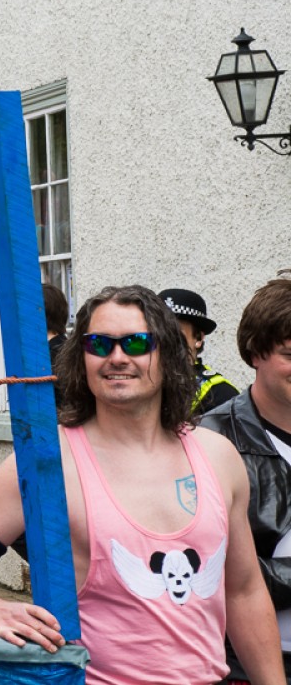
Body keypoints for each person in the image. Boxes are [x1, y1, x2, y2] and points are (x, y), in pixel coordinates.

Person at [0, 285, 284, 685]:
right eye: (99, 344)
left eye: (136, 343)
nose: (117, 357)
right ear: (81, 358)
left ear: (166, 354)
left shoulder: (218, 456)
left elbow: (244, 591)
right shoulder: (49, 463)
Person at [198, 278, 291, 679]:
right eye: (290, 354)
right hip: (241, 665)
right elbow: (197, 568)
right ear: (255, 352)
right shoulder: (208, 441)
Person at [160, 288, 240, 417]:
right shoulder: (141, 383)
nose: (165, 340)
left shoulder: (220, 395)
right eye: (158, 332)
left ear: (198, 338)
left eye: (174, 333)